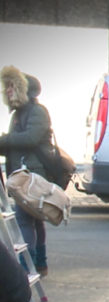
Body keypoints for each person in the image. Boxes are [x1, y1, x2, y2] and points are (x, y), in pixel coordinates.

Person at [0, 66, 52, 276]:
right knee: (34, 219)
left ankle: (26, 268)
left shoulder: (38, 111)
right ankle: (40, 263)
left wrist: (3, 140)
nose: (8, 90)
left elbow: (29, 138)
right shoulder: (19, 113)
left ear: (24, 88)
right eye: (7, 86)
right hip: (22, 173)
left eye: (12, 85)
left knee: (25, 219)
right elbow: (16, 143)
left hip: (32, 175)